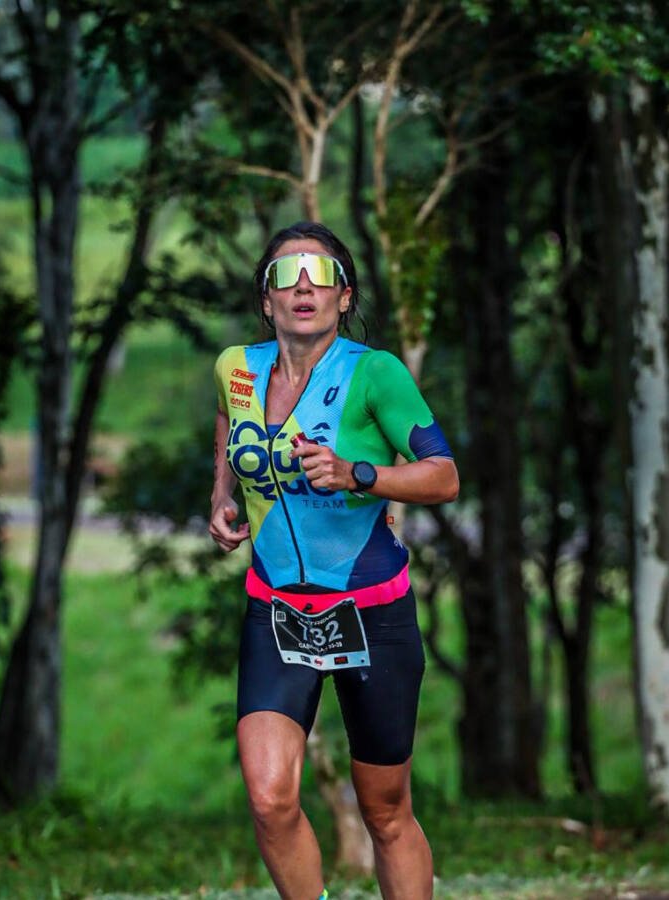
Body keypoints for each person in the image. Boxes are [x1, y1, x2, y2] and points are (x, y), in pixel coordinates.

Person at [209, 221, 459, 900]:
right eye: (284, 277)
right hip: (278, 612)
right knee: (268, 799)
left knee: (384, 810)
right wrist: (222, 495)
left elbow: (443, 476)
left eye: (319, 276)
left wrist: (359, 475)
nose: (302, 288)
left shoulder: (375, 373)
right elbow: (232, 423)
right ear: (266, 301)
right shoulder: (237, 366)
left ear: (344, 296)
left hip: (372, 615)